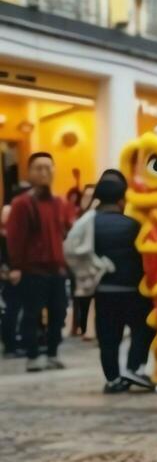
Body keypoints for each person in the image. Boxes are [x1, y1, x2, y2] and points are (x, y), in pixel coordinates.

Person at [5, 152, 73, 372]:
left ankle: (52, 353)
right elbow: (15, 238)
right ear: (30, 173)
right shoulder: (21, 204)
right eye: (38, 168)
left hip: (57, 269)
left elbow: (65, 232)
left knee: (58, 313)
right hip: (32, 270)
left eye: (48, 167)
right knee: (32, 314)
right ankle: (33, 355)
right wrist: (15, 267)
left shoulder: (60, 202)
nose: (44, 172)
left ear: (54, 171)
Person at [89, 170, 154, 393]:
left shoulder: (89, 225)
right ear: (121, 200)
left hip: (103, 291)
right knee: (142, 330)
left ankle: (112, 378)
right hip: (132, 291)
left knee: (108, 338)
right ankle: (133, 367)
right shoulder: (133, 225)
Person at [1, 183, 28, 358]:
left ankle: (16, 342)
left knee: (17, 307)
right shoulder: (10, 210)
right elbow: (6, 240)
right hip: (12, 268)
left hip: (18, 267)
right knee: (13, 307)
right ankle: (11, 344)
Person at [70, 183, 97, 339]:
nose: (88, 198)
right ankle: (78, 326)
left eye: (91, 195)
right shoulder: (77, 214)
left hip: (91, 260)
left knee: (91, 296)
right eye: (86, 195)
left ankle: (89, 328)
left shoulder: (95, 215)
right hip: (78, 261)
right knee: (79, 296)